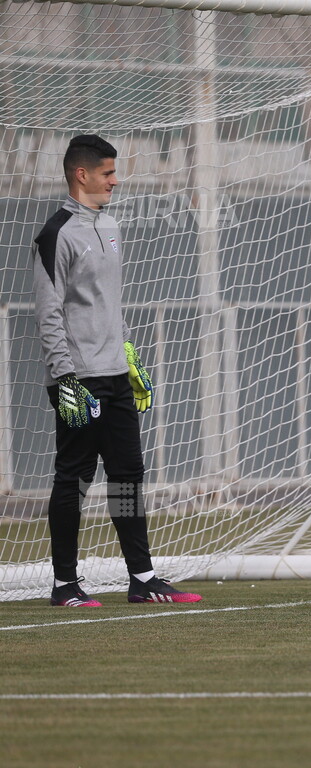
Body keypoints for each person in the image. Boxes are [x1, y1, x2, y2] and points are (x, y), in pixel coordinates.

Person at [33, 134, 202, 607]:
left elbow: (111, 306)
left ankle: (142, 578)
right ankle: (65, 584)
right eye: (107, 173)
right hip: (78, 379)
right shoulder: (55, 235)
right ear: (81, 174)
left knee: (128, 476)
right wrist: (64, 378)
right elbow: (48, 314)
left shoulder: (110, 227)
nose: (115, 180)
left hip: (113, 375)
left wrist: (129, 356)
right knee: (74, 479)